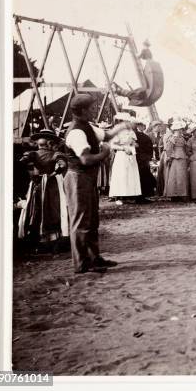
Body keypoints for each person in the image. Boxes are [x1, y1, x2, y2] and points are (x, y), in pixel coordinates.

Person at [64, 93, 128, 274]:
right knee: (81, 221)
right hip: (78, 178)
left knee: (92, 220)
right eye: (92, 107)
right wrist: (104, 154)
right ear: (83, 110)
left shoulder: (87, 126)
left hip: (86, 178)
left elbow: (106, 135)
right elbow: (85, 159)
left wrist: (123, 126)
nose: (94, 110)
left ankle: (94, 258)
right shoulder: (76, 131)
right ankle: (82, 263)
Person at [17, 129, 69, 247]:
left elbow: (22, 162)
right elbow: (62, 165)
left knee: (37, 208)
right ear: (50, 143)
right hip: (51, 185)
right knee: (52, 208)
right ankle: (52, 239)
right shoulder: (54, 154)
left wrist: (33, 174)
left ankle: (38, 238)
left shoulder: (34, 154)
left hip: (38, 185)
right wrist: (53, 174)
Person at [108, 113, 141, 205]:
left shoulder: (131, 132)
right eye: (126, 122)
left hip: (131, 155)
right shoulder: (117, 132)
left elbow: (134, 143)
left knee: (130, 175)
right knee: (122, 175)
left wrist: (134, 145)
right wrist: (123, 148)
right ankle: (119, 196)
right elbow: (112, 145)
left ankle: (129, 195)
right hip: (122, 155)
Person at [164, 121, 189, 201]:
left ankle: (182, 194)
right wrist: (170, 157)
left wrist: (187, 154)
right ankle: (174, 194)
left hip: (183, 157)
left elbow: (185, 148)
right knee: (175, 176)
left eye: (180, 129)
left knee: (182, 176)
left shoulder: (182, 138)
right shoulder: (172, 138)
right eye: (178, 130)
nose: (180, 131)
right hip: (175, 158)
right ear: (175, 130)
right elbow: (168, 149)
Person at [134, 119, 157, 202]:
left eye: (143, 125)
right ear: (137, 126)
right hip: (138, 158)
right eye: (140, 125)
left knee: (145, 176)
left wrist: (149, 157)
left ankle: (144, 195)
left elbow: (149, 148)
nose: (142, 127)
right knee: (141, 177)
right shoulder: (135, 135)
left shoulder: (145, 136)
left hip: (144, 158)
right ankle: (140, 196)